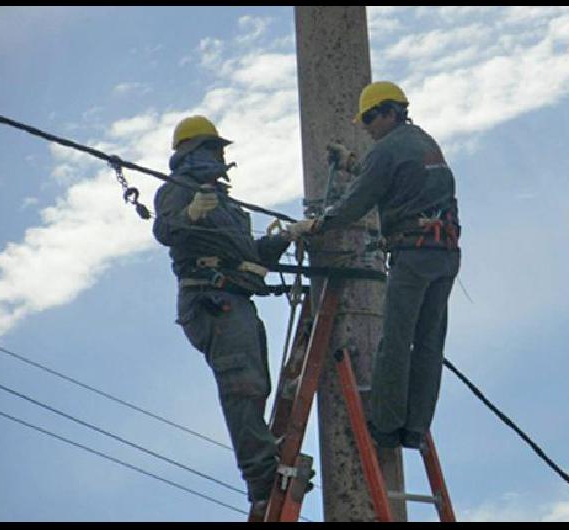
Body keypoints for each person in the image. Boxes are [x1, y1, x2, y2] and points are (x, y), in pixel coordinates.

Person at [288, 81, 461, 450]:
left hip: (413, 258)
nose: (365, 126)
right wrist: (354, 164)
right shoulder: (425, 142)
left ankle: (385, 424)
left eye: (369, 118)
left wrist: (318, 224)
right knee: (429, 343)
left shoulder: (387, 150)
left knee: (396, 341)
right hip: (444, 256)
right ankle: (415, 429)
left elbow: (358, 201)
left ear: (389, 112)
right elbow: (393, 178)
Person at [152, 116, 291, 514]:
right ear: (191, 152)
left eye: (220, 150)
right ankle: (261, 476)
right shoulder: (179, 190)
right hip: (210, 300)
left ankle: (263, 456)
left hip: (234, 299)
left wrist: (283, 240)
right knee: (242, 385)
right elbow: (166, 231)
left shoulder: (227, 205)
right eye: (213, 149)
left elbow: (248, 255)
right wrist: (190, 214)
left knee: (256, 383)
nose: (220, 157)